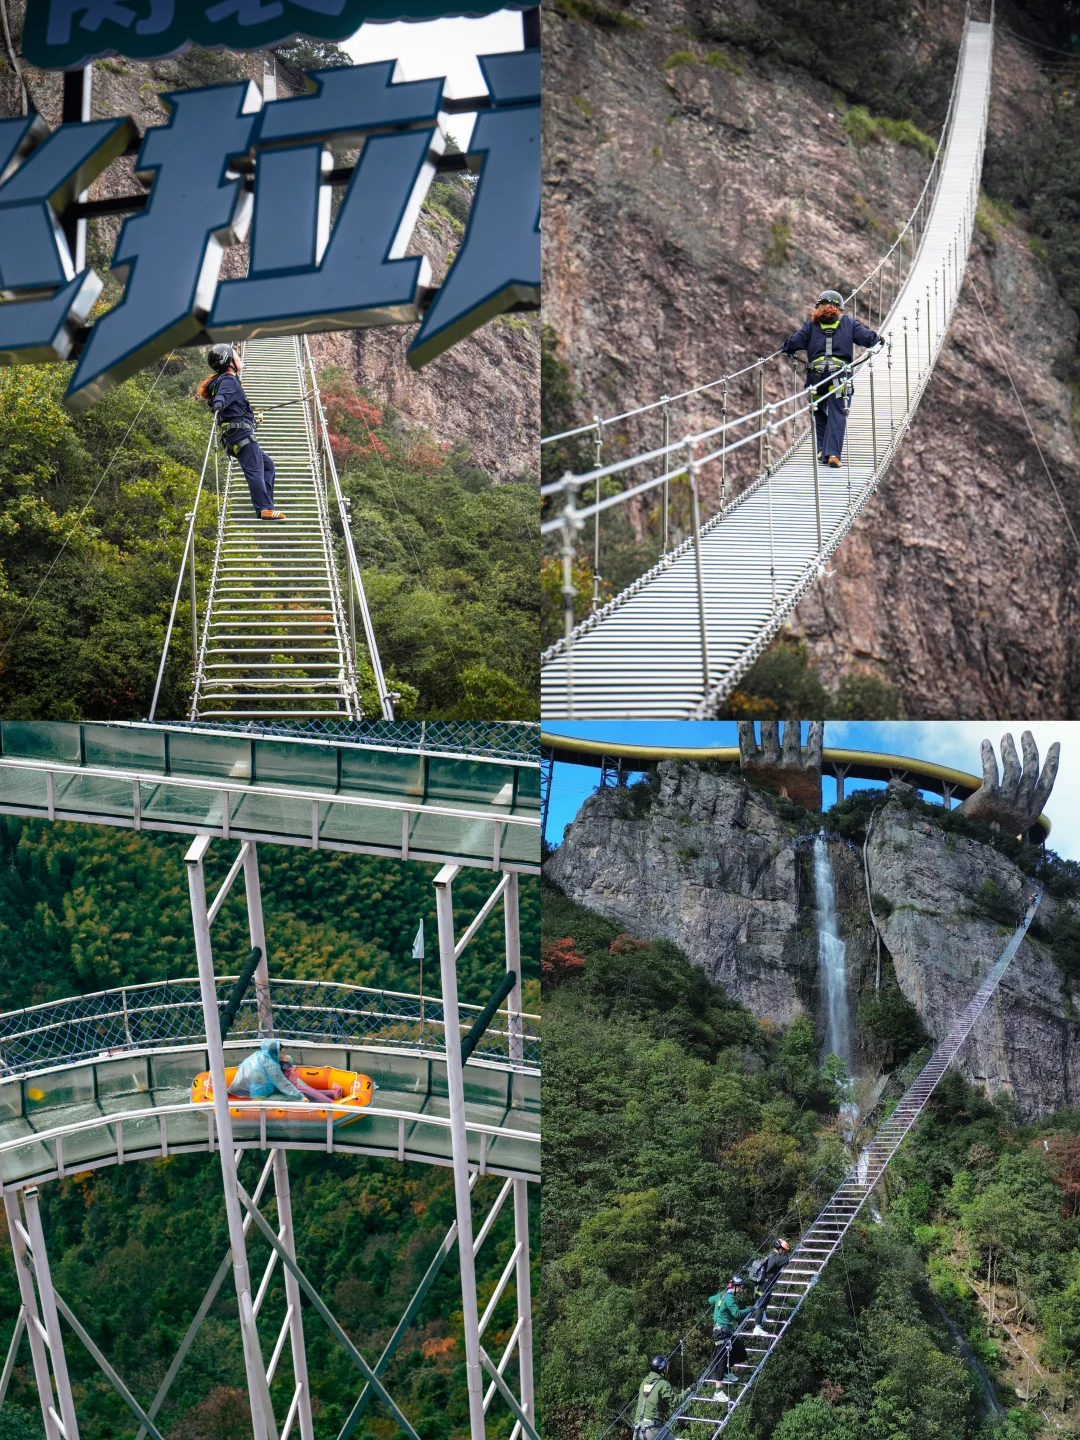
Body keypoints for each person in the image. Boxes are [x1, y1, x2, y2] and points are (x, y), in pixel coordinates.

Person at [781, 290, 880, 468]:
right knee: (837, 412)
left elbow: (792, 343)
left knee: (818, 410)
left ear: (818, 307)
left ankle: (822, 448)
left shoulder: (810, 326)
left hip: (816, 378)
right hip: (839, 377)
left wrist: (787, 348)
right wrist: (879, 339)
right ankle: (832, 453)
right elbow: (869, 339)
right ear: (839, 308)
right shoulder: (849, 323)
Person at [198, 343, 286, 520]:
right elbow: (223, 396)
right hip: (241, 435)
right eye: (236, 356)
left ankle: (267, 505)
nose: (239, 358)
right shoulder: (228, 380)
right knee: (254, 470)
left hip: (235, 435)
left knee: (267, 465)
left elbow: (226, 398)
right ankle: (264, 509)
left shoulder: (221, 380)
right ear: (229, 362)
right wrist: (219, 404)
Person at [228, 1038, 312, 1103]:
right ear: (276, 1053)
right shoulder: (271, 1065)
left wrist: (288, 1059)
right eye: (282, 1053)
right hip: (262, 1097)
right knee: (296, 1099)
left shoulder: (262, 1054)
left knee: (297, 1086)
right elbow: (282, 1083)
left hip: (267, 1089)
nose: (284, 1055)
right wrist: (300, 1096)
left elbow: (285, 1059)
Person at [708, 1274, 752, 1386]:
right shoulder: (730, 1298)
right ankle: (722, 1381)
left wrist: (719, 1302)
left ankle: (727, 1371)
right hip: (723, 1331)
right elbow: (736, 1313)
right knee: (725, 1357)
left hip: (722, 1330)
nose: (742, 1289)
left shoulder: (722, 1295)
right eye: (741, 1287)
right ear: (736, 1286)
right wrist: (750, 1310)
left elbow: (710, 1300)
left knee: (738, 1349)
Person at [632, 1355, 689, 1440]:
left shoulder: (644, 1382)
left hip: (637, 1430)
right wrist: (689, 1390)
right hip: (653, 1430)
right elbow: (676, 1402)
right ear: (662, 1369)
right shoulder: (663, 1384)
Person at [747, 1238, 792, 1335]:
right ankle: (757, 1327)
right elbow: (787, 1260)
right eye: (783, 1250)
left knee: (764, 1301)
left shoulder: (770, 1255)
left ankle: (762, 1315)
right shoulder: (776, 1258)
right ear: (779, 1248)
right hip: (766, 1284)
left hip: (761, 1283)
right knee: (762, 1304)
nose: (783, 1252)